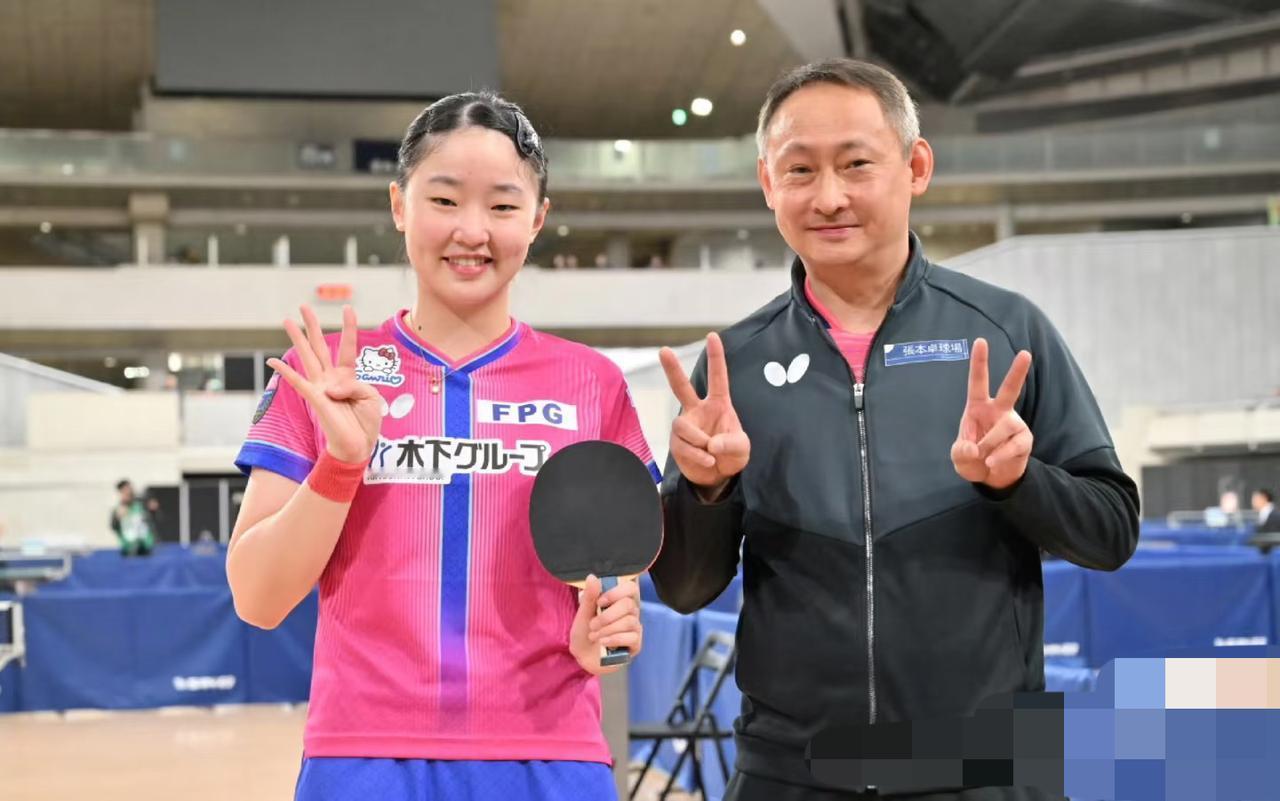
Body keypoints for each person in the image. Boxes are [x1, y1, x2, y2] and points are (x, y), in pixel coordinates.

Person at [651, 59, 1140, 800]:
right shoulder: (735, 365)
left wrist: (1019, 482)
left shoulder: (1007, 331)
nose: (829, 196)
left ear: (915, 167)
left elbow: (1111, 533)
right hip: (792, 775)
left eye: (856, 164)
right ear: (768, 183)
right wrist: (705, 492)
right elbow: (686, 588)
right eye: (800, 170)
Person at [228, 92, 657, 801]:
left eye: (503, 205)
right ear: (400, 205)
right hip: (364, 761)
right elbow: (257, 598)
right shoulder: (326, 376)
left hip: (551, 758)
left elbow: (614, 590)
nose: (472, 230)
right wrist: (340, 465)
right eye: (445, 200)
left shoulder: (593, 385)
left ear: (538, 219)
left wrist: (605, 638)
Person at [109, 479, 157, 557]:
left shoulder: (141, 506)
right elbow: (113, 526)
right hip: (129, 550)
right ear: (120, 492)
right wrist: (117, 518)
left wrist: (153, 510)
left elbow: (154, 520)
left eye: (130, 490)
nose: (128, 493)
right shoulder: (117, 510)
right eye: (125, 491)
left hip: (146, 548)